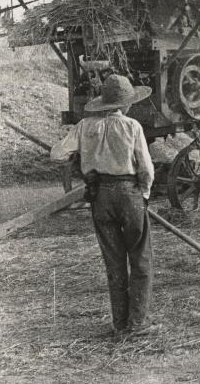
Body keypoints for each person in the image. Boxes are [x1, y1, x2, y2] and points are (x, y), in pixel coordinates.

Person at [50, 74, 155, 335]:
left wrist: (81, 162)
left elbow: (57, 153)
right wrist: (144, 194)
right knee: (140, 258)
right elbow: (146, 169)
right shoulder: (132, 126)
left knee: (114, 261)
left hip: (100, 196)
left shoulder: (85, 126)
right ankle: (138, 323)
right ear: (126, 104)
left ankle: (120, 323)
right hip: (129, 193)